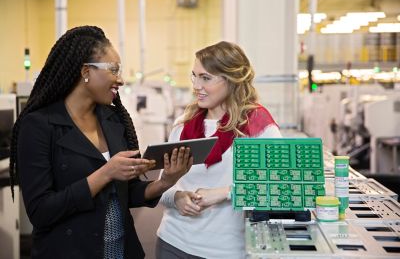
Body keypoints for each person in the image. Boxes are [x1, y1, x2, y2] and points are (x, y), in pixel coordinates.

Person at [9, 25, 193, 259]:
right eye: (114, 70)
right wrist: (105, 173)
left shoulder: (114, 119)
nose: (121, 79)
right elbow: (41, 212)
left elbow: (129, 193)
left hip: (120, 250)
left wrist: (165, 181)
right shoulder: (39, 125)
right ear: (86, 71)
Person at [156, 41, 282, 258]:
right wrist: (176, 197)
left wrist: (225, 193)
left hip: (226, 250)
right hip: (172, 242)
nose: (196, 86)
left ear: (231, 80)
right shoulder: (183, 125)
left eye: (206, 78)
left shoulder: (257, 126)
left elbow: (282, 186)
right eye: (194, 76)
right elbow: (162, 185)